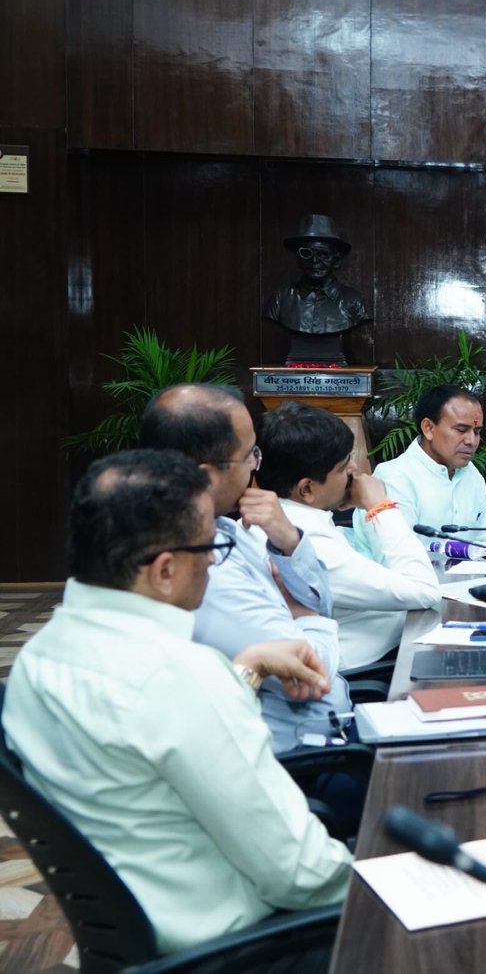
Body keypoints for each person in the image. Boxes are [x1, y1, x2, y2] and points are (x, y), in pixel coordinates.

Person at [2, 449, 352, 955]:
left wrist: (245, 668)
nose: (212, 559)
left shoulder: (38, 659)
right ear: (164, 570)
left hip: (147, 937)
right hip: (249, 949)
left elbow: (141, 736)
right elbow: (304, 875)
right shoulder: (181, 676)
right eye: (209, 544)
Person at [140, 383, 351, 754]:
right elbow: (312, 667)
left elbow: (322, 605)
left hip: (326, 731)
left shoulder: (225, 527)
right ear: (206, 475)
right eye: (249, 455)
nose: (256, 465)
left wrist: (290, 543)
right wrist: (304, 615)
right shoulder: (202, 565)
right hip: (295, 754)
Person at [258, 401, 441, 670]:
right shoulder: (302, 540)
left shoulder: (291, 518)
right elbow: (424, 590)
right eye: (343, 467)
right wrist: (380, 506)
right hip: (357, 674)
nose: (355, 471)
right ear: (306, 490)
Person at [360, 384, 486, 549]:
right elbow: (397, 553)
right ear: (428, 428)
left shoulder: (471, 474)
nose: (471, 441)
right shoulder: (394, 477)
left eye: (477, 432)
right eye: (461, 430)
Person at [263, 213, 372, 365]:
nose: (314, 260)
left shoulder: (353, 300)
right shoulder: (280, 298)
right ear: (298, 259)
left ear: (336, 260)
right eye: (306, 253)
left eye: (322, 254)